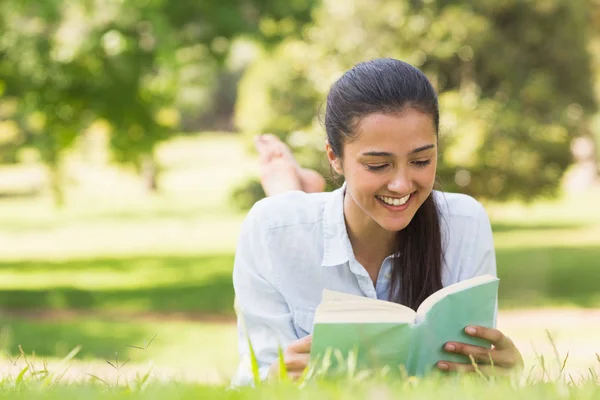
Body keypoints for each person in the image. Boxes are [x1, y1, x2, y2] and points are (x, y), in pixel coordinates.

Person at [232, 58, 523, 385]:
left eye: (421, 160)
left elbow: (473, 377)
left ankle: (297, 188)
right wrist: (274, 377)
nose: (401, 184)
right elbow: (252, 380)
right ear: (334, 157)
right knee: (284, 216)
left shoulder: (464, 222)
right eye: (377, 165)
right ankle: (288, 188)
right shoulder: (270, 229)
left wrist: (504, 372)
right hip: (292, 223)